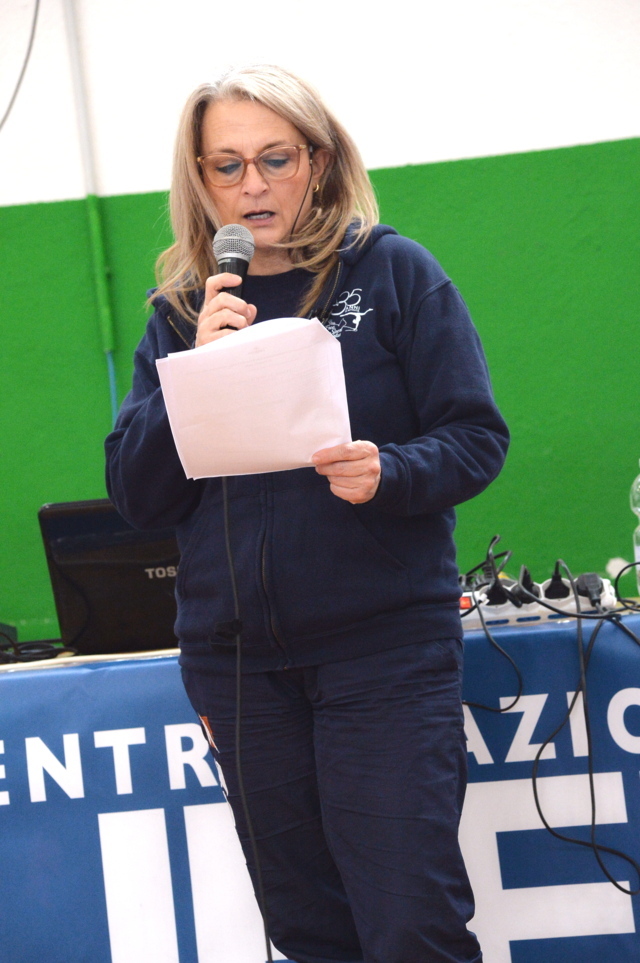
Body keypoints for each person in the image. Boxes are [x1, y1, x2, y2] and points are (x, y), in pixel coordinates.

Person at [105, 63, 509, 963]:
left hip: (382, 652)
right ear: (200, 179)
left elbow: (476, 436)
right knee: (308, 930)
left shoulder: (394, 274)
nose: (252, 184)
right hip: (238, 666)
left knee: (410, 923)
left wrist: (390, 471)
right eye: (227, 165)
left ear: (318, 162)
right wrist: (192, 373)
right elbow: (138, 494)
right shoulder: (182, 312)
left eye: (275, 159)